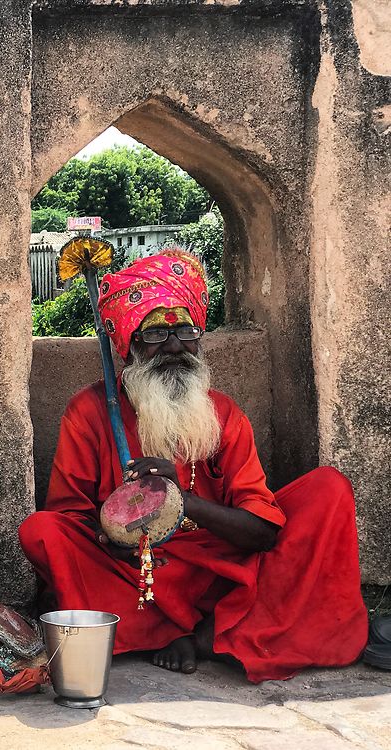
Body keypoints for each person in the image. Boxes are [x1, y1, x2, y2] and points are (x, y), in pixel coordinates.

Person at [19, 249, 368, 682]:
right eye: (154, 335)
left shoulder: (224, 414)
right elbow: (68, 516)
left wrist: (184, 504)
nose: (174, 345)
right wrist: (113, 534)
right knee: (42, 532)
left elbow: (262, 531)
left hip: (220, 567)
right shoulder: (89, 412)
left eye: (186, 330)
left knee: (328, 490)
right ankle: (190, 632)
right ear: (128, 348)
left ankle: (199, 634)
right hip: (134, 572)